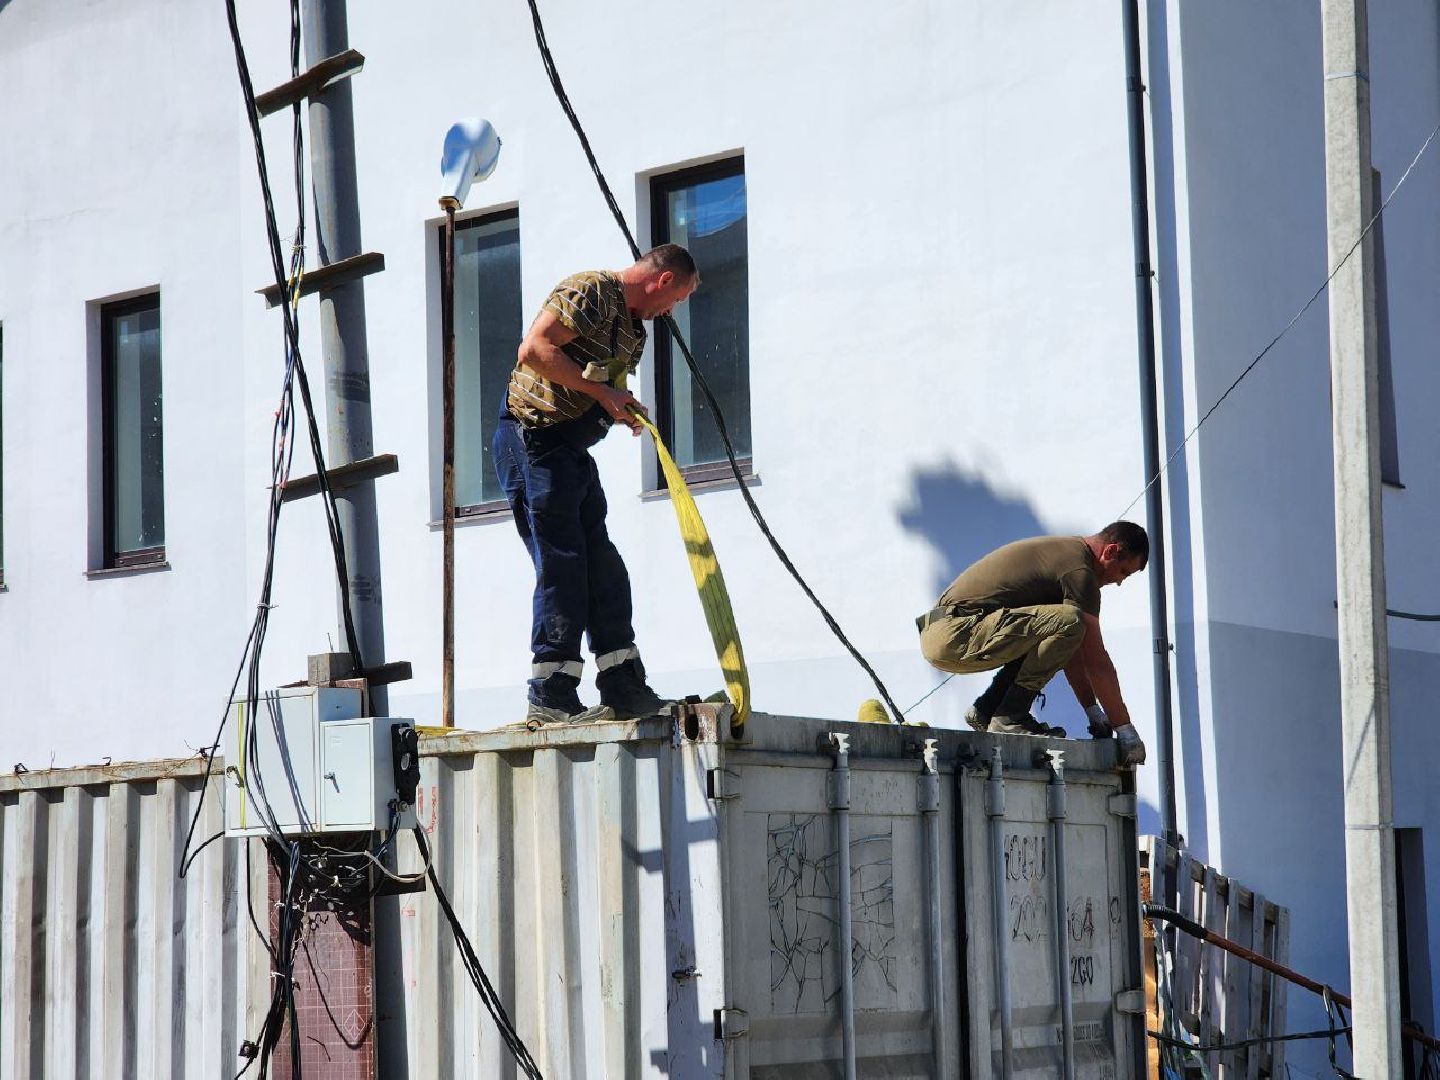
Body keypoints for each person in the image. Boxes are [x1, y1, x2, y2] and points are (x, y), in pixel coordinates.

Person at [493, 244, 699, 725]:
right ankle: (550, 694)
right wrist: (602, 393)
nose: (672, 311)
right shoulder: (590, 291)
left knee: (603, 568)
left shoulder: (633, 332)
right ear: (662, 281)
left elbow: (601, 385)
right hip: (531, 440)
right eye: (678, 299)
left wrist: (618, 407)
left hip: (569, 451)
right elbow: (535, 350)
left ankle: (622, 684)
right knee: (563, 566)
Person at [916, 522, 1150, 765]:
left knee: (1064, 627)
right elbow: (1096, 662)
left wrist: (1093, 711)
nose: (1119, 582)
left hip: (946, 632)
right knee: (1071, 621)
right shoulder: (1079, 571)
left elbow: (1071, 652)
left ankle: (988, 708)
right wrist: (1126, 731)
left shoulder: (1068, 556)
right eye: (1123, 572)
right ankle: (1009, 717)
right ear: (1110, 551)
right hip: (956, 632)